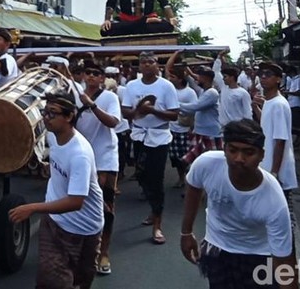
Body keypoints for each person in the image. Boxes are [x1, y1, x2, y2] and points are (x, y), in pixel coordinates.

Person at [180, 120, 295, 289]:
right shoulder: (206, 164)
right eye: (233, 150)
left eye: (248, 152)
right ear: (224, 149)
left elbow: (284, 261)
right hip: (217, 250)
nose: (239, 159)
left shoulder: (274, 201)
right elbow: (193, 187)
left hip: (258, 256)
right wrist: (186, 232)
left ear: (262, 155)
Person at [9, 91, 104, 289]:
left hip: (84, 229)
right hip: (54, 222)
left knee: (81, 281)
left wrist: (32, 208)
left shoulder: (80, 154)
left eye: (52, 113)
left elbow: (75, 202)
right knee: (51, 281)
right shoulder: (53, 136)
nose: (46, 118)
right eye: (45, 112)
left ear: (69, 117)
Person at [121, 51, 179, 245]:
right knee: (142, 175)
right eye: (143, 62)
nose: (147, 65)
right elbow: (126, 112)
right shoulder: (131, 85)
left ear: (157, 65)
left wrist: (152, 110)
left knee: (156, 179)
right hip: (139, 135)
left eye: (150, 62)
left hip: (159, 137)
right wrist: (139, 110)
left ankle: (157, 224)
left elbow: (174, 115)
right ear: (139, 65)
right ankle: (153, 209)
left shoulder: (166, 86)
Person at [75, 61, 121, 275]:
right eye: (88, 73)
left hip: (105, 158)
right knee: (78, 204)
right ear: (83, 76)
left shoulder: (109, 97)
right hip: (80, 158)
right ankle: (83, 251)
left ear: (102, 78)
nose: (92, 76)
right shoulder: (75, 95)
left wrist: (91, 105)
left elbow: (113, 122)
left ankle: (104, 252)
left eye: (96, 73)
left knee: (106, 208)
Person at [254, 62, 299, 273]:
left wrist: (273, 172)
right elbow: (267, 127)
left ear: (278, 79)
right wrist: (257, 107)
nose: (263, 78)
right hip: (269, 168)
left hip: (277, 172)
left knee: (283, 223)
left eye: (268, 74)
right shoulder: (270, 103)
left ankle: (289, 267)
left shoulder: (279, 104)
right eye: (261, 74)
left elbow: (280, 140)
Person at [165, 51, 198, 188]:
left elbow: (195, 110)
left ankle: (190, 178)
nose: (170, 78)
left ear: (180, 79)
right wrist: (175, 53)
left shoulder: (189, 92)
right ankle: (181, 178)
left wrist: (193, 127)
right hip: (171, 128)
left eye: (173, 77)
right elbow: (167, 68)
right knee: (175, 158)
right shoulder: (169, 89)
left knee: (186, 156)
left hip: (185, 129)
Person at [180, 69, 222, 165]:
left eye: (199, 77)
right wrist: (188, 73)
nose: (196, 79)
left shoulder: (212, 93)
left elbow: (195, 106)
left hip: (211, 134)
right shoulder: (203, 91)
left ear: (205, 78)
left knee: (211, 163)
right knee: (198, 162)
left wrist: (175, 105)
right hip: (200, 132)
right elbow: (193, 83)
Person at [211, 53, 253, 127]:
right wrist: (219, 57)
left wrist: (247, 128)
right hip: (224, 126)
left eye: (225, 77)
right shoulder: (224, 88)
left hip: (237, 128)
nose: (223, 79)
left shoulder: (243, 93)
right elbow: (215, 71)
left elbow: (248, 112)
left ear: (232, 77)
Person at [283, 66, 300, 148]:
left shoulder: (299, 80)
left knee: (299, 123)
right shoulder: (293, 80)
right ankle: (298, 139)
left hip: (298, 104)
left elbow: (298, 92)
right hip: (292, 103)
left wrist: (287, 92)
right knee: (295, 123)